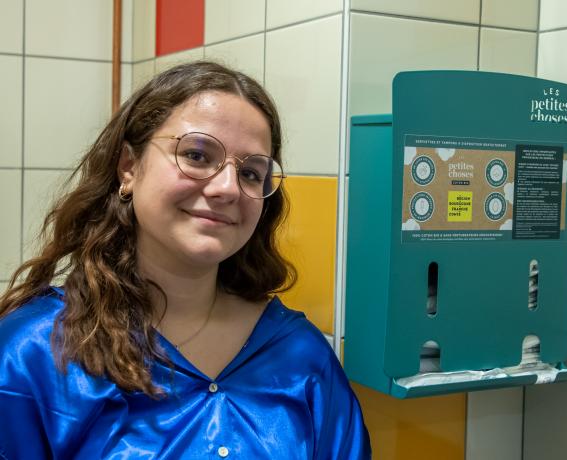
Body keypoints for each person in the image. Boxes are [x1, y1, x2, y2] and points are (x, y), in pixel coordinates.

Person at [0, 61, 371, 459]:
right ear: (129, 167)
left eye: (250, 173)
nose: (227, 188)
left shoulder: (301, 358)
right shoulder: (33, 354)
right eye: (196, 154)